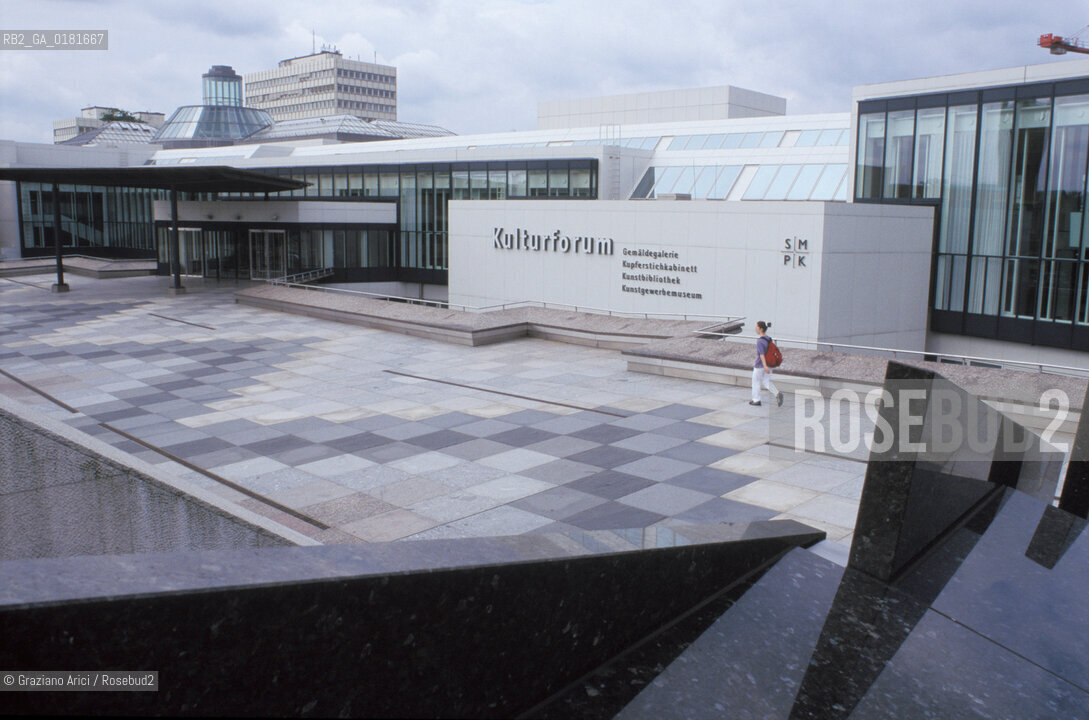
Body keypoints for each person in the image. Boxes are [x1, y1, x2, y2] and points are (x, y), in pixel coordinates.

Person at [750, 320, 783, 407]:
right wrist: (767, 366)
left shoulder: (760, 341)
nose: (755, 329)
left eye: (756, 327)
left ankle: (756, 400)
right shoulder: (768, 338)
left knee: (755, 381)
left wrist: (764, 366)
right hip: (769, 364)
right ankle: (777, 393)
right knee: (766, 382)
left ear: (760, 329)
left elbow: (762, 354)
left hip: (760, 365)